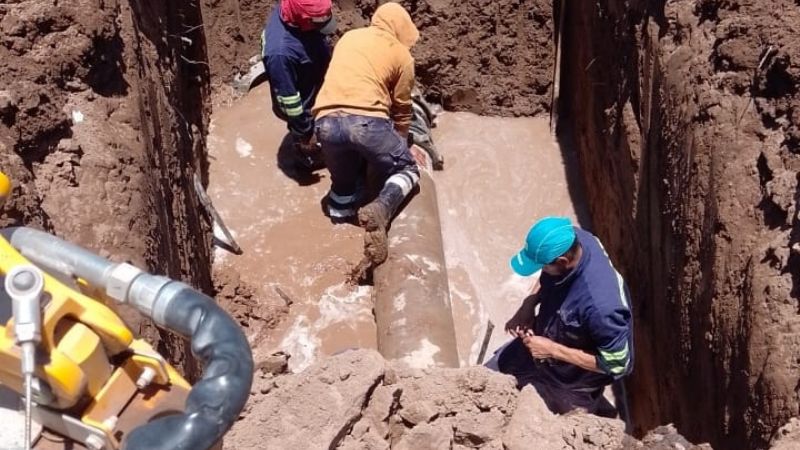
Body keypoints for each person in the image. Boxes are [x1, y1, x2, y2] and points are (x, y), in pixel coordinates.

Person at [312, 2, 420, 274]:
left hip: (325, 122)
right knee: (407, 170)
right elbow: (402, 108)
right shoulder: (402, 55)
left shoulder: (349, 37)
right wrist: (401, 143)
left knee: (343, 190)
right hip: (366, 123)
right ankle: (382, 208)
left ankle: (341, 210)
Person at [489, 216, 634, 417]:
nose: (541, 270)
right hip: (546, 342)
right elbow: (550, 275)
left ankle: (601, 415)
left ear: (563, 261)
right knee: (494, 373)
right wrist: (529, 304)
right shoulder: (574, 238)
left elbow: (619, 365)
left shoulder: (602, 308)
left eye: (543, 265)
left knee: (561, 422)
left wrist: (552, 350)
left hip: (573, 380)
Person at [261, 0, 336, 169]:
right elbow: (290, 102)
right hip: (303, 99)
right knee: (308, 143)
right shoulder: (279, 54)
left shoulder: (291, 8)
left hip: (311, 70)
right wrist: (304, 132)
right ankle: (305, 156)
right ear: (304, 20)